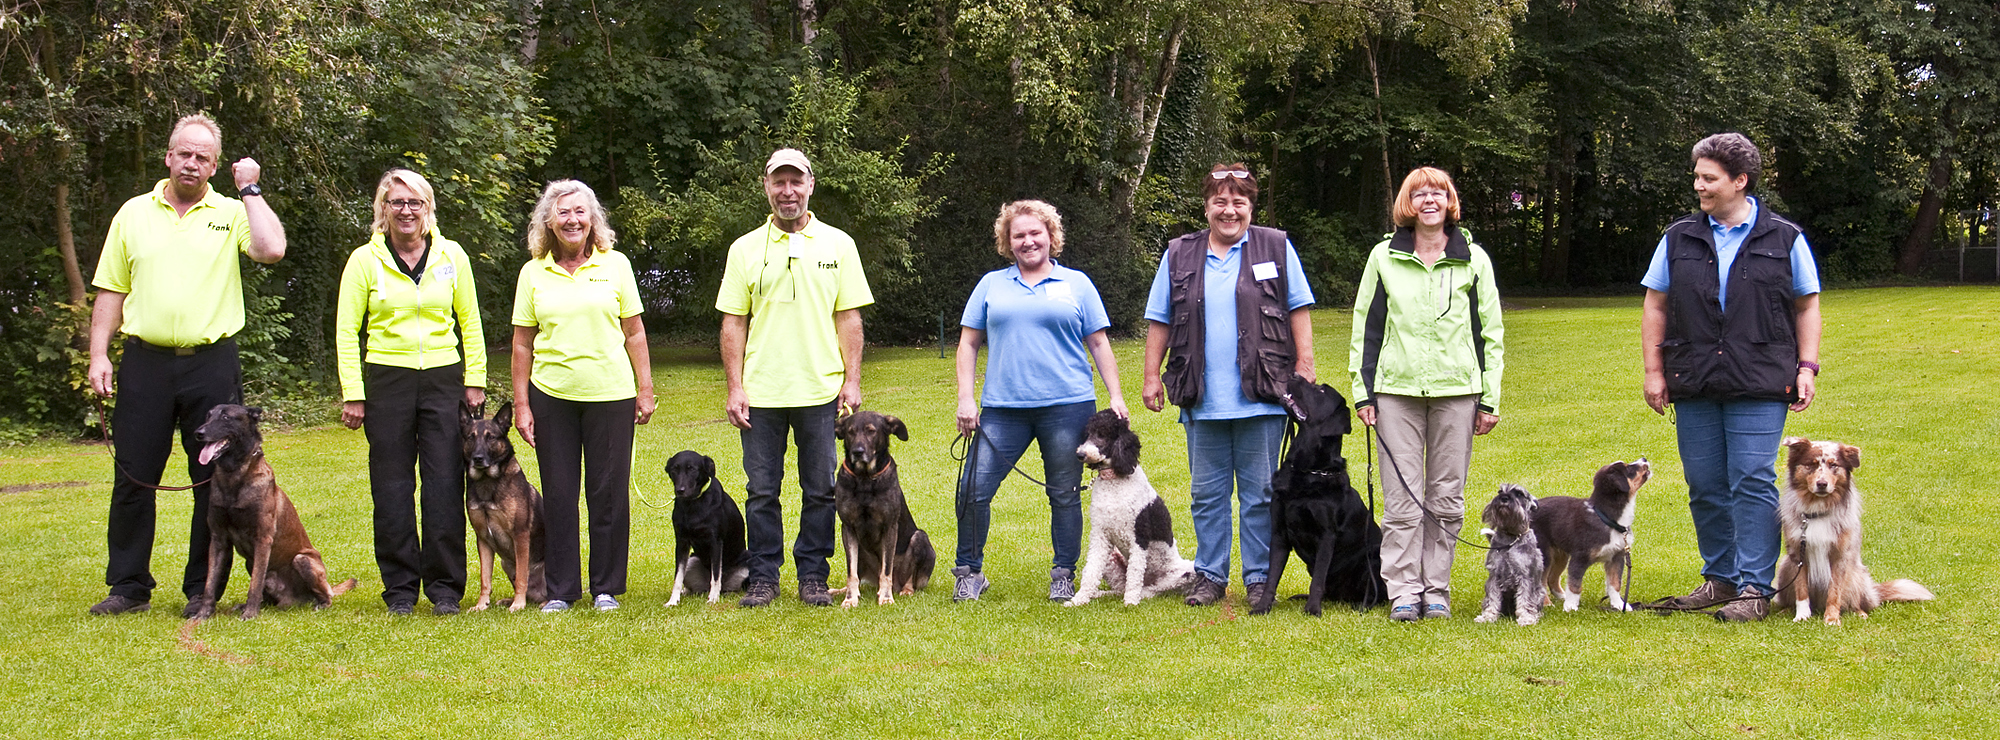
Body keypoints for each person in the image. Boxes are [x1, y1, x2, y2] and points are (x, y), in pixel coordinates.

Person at [85, 113, 287, 616]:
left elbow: (271, 250)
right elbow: (111, 289)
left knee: (215, 482)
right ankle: (128, 587)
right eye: (184, 153)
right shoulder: (132, 213)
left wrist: (252, 189)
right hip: (145, 363)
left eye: (203, 156)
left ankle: (203, 588)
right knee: (133, 475)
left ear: (215, 166)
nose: (192, 163)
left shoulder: (232, 210)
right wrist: (97, 354)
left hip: (211, 365)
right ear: (169, 156)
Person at [1641, 133, 1821, 622]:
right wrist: (1654, 370)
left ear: (1739, 181)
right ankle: (1719, 579)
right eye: (1697, 176)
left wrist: (1807, 366)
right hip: (1694, 376)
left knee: (1752, 480)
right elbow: (1656, 303)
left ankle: (1753, 588)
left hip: (1760, 378)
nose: (1698, 185)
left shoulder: (1784, 238)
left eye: (1708, 178)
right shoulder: (1679, 237)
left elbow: (1807, 305)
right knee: (1705, 483)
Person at [1141, 163, 1316, 608]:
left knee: (1259, 494)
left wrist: (1305, 365)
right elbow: (1160, 317)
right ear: (1206, 207)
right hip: (1201, 396)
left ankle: (1259, 577)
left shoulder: (1275, 246)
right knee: (1206, 495)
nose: (1229, 210)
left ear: (1250, 206)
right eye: (1220, 200)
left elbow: (1297, 308)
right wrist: (1150, 375)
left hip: (1263, 394)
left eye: (1239, 201)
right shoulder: (1179, 253)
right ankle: (1210, 576)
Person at [716, 148, 873, 608]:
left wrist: (852, 379)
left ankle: (813, 576)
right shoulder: (744, 248)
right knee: (761, 490)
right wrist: (735, 386)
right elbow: (732, 324)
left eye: (795, 182)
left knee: (821, 489)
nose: (787, 191)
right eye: (778, 182)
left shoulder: (839, 244)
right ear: (766, 187)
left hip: (820, 390)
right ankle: (763, 576)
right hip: (761, 391)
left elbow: (849, 319)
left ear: (811, 185)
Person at [1349, 166, 1505, 622]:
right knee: (1401, 500)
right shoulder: (1384, 256)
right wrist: (1364, 393)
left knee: (1446, 498)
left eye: (1439, 192)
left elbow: (1490, 334)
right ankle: (1403, 591)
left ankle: (1436, 589)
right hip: (1395, 392)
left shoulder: (1473, 259)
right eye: (1420, 194)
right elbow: (1367, 328)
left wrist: (1489, 398)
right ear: (1407, 204)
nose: (1430, 200)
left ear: (1450, 201)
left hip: (1458, 392)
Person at [952, 200, 1127, 602]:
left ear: (1051, 236)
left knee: (1064, 492)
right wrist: (966, 398)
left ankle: (1063, 574)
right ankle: (969, 572)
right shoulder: (991, 285)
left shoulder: (1077, 284)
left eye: (1036, 233)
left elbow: (1098, 342)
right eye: (1019, 235)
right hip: (1003, 409)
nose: (1028, 241)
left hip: (1068, 406)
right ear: (1007, 241)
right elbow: (968, 342)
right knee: (972, 489)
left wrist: (1115, 395)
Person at [334, 168, 486, 616]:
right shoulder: (364, 259)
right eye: (396, 202)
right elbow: (347, 330)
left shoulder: (452, 255)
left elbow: (471, 322)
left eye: (414, 202)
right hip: (386, 380)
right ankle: (400, 589)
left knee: (443, 485)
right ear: (383, 209)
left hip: (443, 378)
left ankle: (444, 589)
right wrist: (353, 391)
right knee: (393, 488)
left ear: (428, 208)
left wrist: (474, 379)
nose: (406, 211)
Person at [509, 179, 653, 613]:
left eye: (580, 212)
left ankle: (606, 587)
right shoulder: (533, 272)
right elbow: (521, 344)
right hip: (552, 395)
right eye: (563, 212)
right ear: (548, 221)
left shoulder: (617, 265)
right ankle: (561, 590)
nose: (572, 220)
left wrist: (644, 389)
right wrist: (521, 403)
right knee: (558, 494)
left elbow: (634, 331)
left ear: (593, 219)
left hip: (611, 394)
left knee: (607, 493)